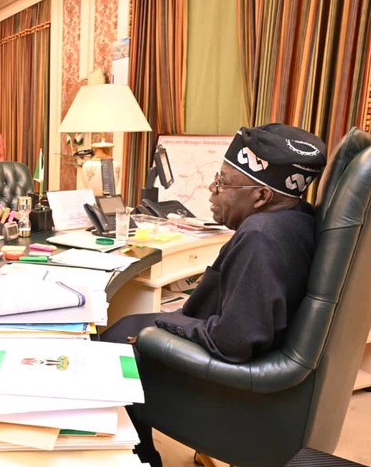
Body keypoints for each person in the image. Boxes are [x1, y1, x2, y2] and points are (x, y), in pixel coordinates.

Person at [101, 123, 327, 466]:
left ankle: (143, 457)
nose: (212, 189)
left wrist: (168, 324)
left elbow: (234, 341)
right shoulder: (295, 217)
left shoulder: (260, 237)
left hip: (236, 379)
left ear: (261, 196)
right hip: (261, 357)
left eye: (223, 182)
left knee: (112, 346)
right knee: (129, 326)